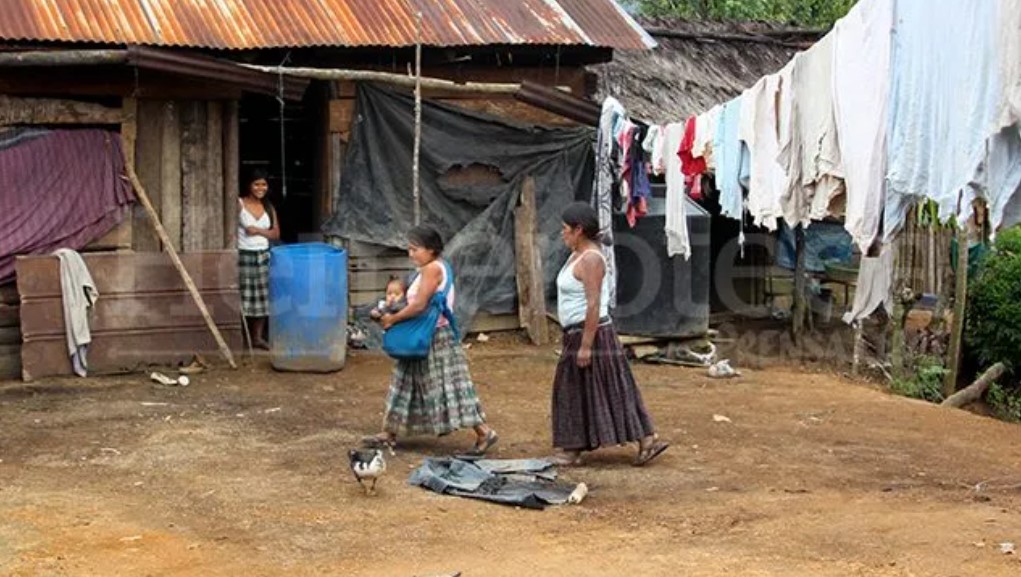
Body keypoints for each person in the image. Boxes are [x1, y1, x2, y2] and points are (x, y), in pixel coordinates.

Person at [551, 202, 669, 467]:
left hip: (592, 333)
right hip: (578, 333)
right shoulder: (577, 255)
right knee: (585, 388)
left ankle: (643, 439)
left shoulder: (591, 259)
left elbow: (593, 304)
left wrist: (586, 345)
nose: (562, 234)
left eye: (565, 229)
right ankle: (579, 446)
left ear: (578, 230)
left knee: (607, 387)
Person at [362, 225, 498, 454]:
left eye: (415, 249)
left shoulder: (431, 269)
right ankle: (388, 433)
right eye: (409, 249)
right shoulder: (435, 267)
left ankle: (484, 432)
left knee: (449, 385)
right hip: (428, 335)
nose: (411, 254)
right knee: (404, 382)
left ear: (431, 249)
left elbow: (419, 305)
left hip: (434, 337)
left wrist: (392, 320)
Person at [237, 169, 279, 350]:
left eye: (263, 184)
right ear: (249, 185)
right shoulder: (239, 203)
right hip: (244, 254)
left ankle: (257, 337)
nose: (260, 188)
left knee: (262, 298)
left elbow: (276, 234)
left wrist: (258, 231)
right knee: (244, 297)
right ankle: (240, 336)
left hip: (262, 255)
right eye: (256, 184)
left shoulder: (268, 207)